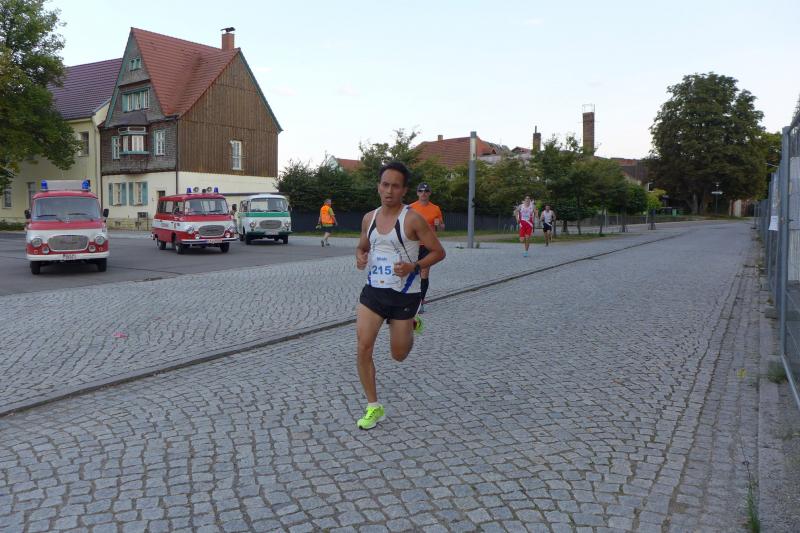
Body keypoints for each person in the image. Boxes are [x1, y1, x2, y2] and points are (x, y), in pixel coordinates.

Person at [354, 162, 446, 430]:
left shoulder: (413, 219)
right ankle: (374, 406)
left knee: (399, 355)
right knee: (363, 347)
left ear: (404, 190)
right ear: (378, 187)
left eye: (395, 186)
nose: (389, 191)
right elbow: (362, 247)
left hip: (405, 295)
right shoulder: (369, 218)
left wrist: (413, 267)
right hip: (373, 292)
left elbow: (438, 252)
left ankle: (412, 322)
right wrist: (360, 257)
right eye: (385, 185)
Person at [409, 182, 444, 313]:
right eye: (421, 191)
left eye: (426, 191)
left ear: (429, 193)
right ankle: (409, 299)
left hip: (429, 245)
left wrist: (439, 225)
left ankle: (420, 302)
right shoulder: (411, 207)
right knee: (412, 272)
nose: (423, 193)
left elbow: (442, 228)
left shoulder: (435, 208)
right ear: (417, 193)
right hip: (413, 245)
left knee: (424, 272)